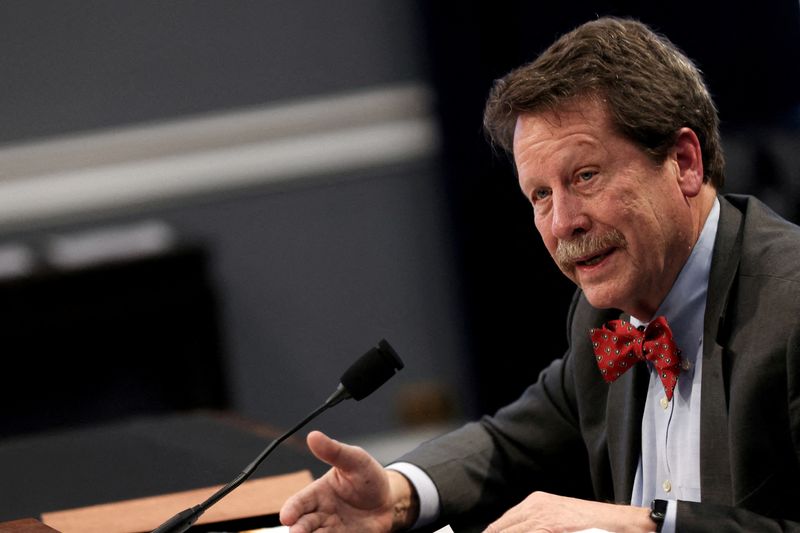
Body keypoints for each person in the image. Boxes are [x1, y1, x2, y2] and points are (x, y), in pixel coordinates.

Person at [279, 16, 800, 533]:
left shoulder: (790, 307)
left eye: (585, 176)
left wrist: (644, 525)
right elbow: (511, 442)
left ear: (684, 162)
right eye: (541, 195)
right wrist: (396, 495)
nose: (563, 223)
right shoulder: (601, 311)